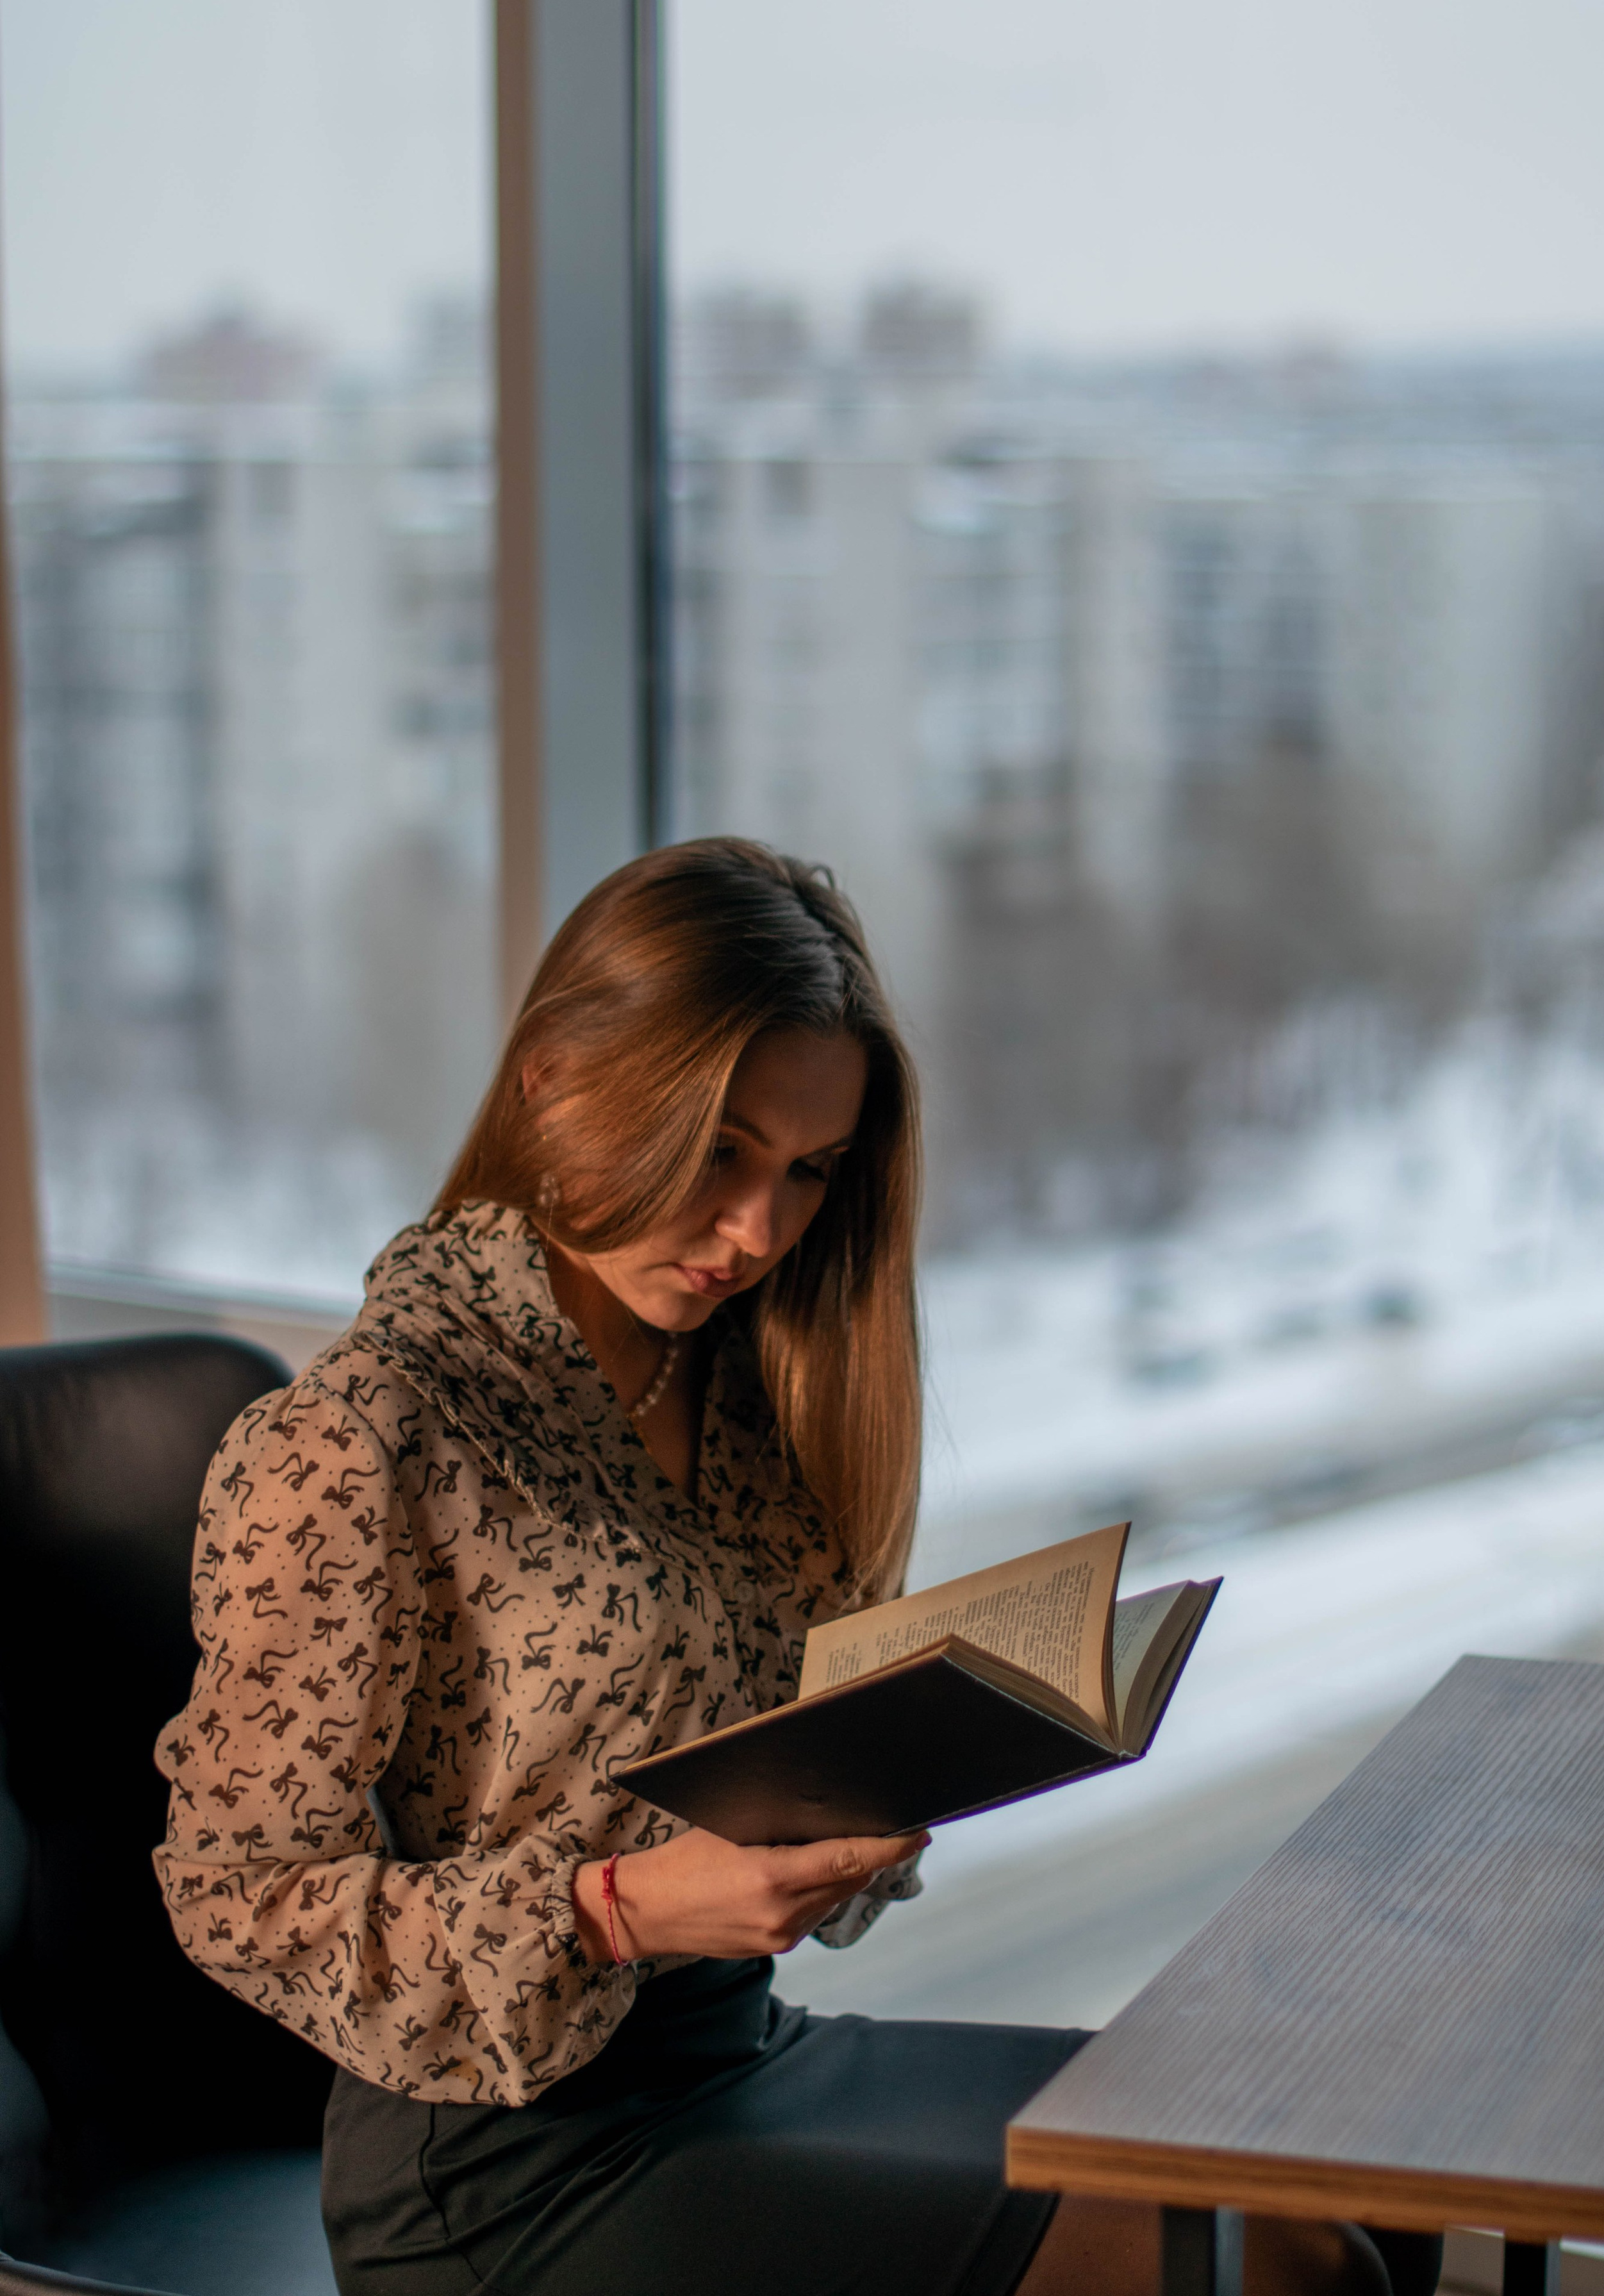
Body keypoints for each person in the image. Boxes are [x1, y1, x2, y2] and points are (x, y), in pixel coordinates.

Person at [155, 838, 1439, 2296]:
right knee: (1273, 2260)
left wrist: (890, 1771)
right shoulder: (357, 1435)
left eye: (808, 1171)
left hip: (736, 2057)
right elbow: (239, 1897)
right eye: (721, 1150)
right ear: (553, 1082)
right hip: (503, 2163)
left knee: (1322, 2161)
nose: (757, 1231)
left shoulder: (745, 1388)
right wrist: (621, 1909)